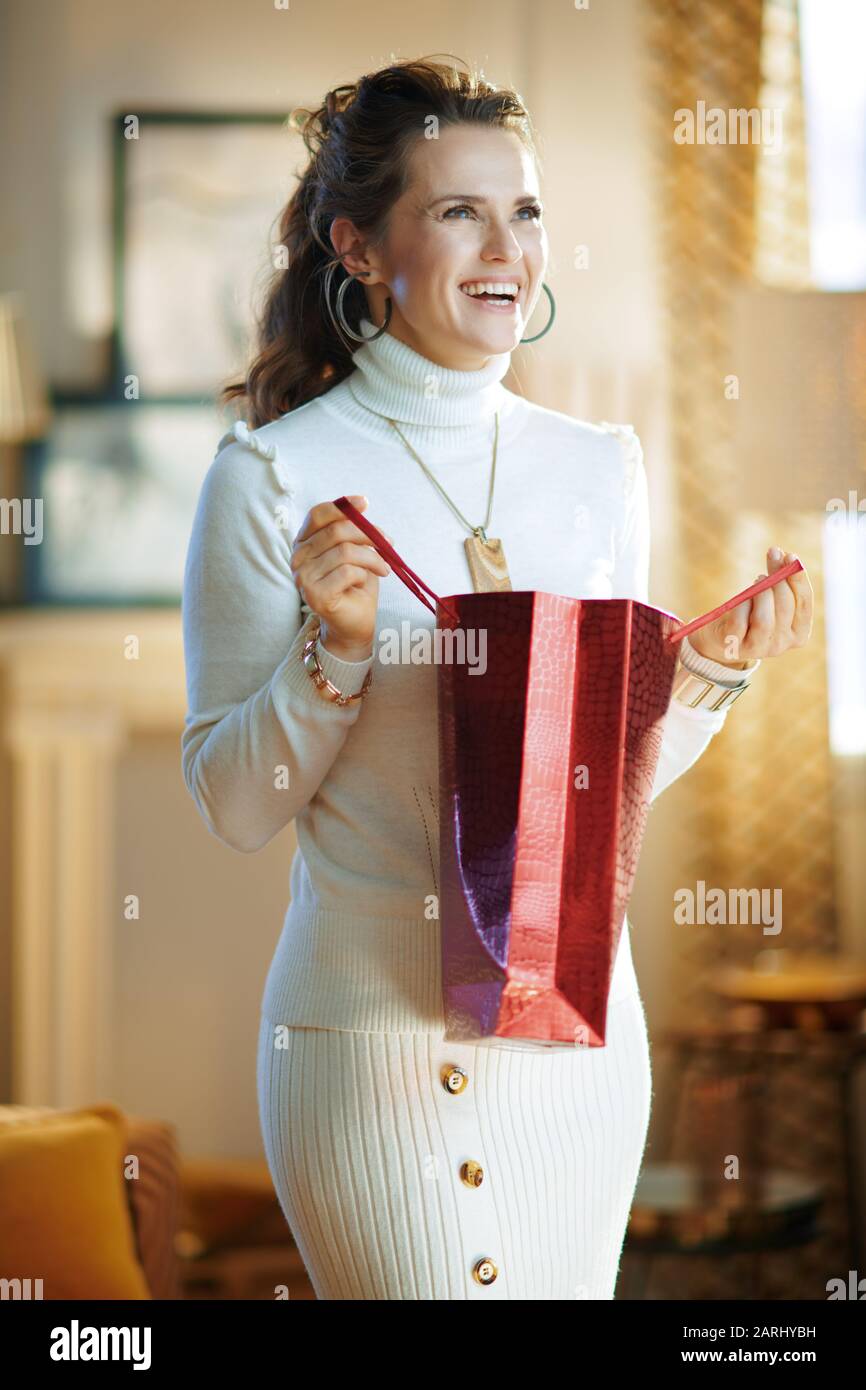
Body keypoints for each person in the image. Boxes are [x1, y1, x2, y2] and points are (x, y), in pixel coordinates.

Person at [180, 57, 813, 1301]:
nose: (503, 247)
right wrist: (335, 655)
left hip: (573, 1045)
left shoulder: (598, 468)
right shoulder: (268, 478)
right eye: (457, 209)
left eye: (521, 211)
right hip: (370, 1051)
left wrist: (700, 682)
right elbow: (235, 805)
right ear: (357, 246)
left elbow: (588, 797)